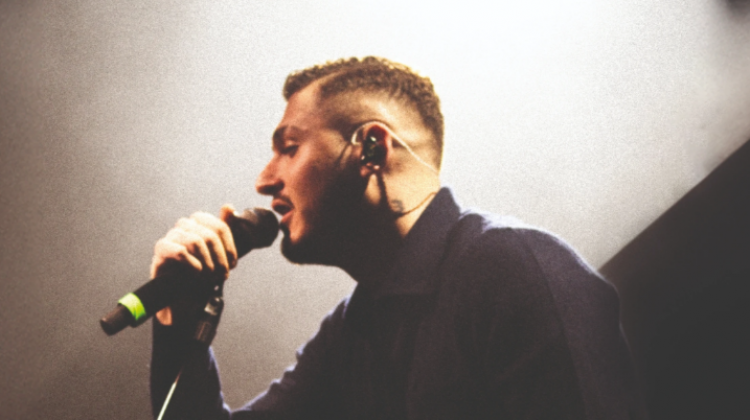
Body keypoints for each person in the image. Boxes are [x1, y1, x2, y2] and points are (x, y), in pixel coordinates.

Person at [149, 57, 648, 419]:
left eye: (290, 147)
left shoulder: (512, 266)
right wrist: (181, 328)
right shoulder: (350, 334)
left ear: (371, 148)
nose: (263, 180)